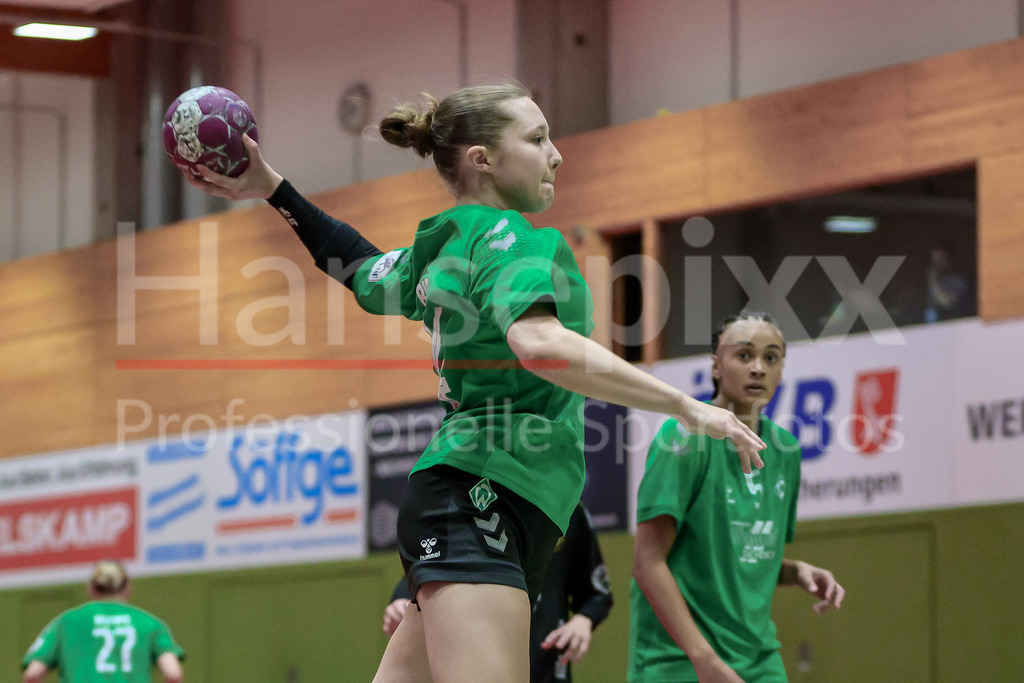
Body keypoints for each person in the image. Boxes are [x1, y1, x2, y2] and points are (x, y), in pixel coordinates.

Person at [184, 82, 766, 682]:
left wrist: (272, 189)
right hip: (484, 498)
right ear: (481, 159)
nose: (556, 154)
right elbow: (539, 344)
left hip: (476, 499)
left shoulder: (441, 249)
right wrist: (687, 407)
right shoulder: (511, 239)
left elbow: (358, 265)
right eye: (537, 139)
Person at [629, 312, 845, 683]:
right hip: (678, 661)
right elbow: (647, 562)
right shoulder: (682, 437)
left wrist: (795, 571)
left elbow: (740, 557)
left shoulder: (787, 450)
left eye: (771, 357)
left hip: (759, 661)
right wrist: (704, 660)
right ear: (716, 366)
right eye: (744, 356)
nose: (758, 368)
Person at [383, 501, 613, 682]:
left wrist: (583, 620)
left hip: (546, 663)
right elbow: (429, 572)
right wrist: (401, 603)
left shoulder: (569, 512)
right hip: (476, 658)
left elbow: (598, 593)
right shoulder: (473, 504)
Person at [21, 560, 185, 683]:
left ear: (91, 588)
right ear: (128, 587)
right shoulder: (150, 624)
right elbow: (173, 674)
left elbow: (33, 674)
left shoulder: (66, 622)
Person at [924, 241, 971, 323]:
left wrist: (933, 280)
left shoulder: (958, 280)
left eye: (941, 258)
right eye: (935, 259)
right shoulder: (934, 278)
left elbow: (947, 302)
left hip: (954, 321)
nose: (938, 263)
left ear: (949, 257)